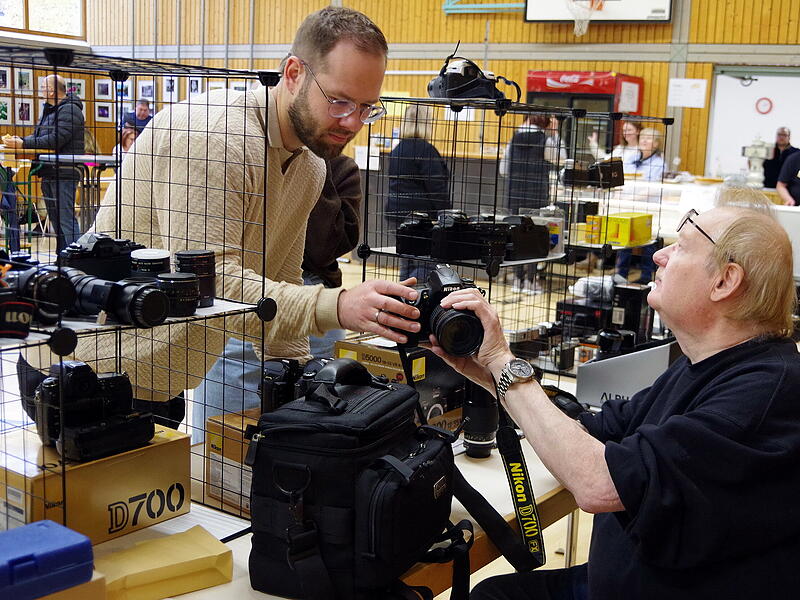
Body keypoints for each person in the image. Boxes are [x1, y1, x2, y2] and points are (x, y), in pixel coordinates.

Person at [18, 7, 421, 429]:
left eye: (367, 108)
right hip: (79, 371)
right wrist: (337, 305)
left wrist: (303, 391)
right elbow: (206, 284)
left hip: (161, 380)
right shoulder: (215, 138)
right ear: (294, 73)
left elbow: (280, 284)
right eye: (339, 101)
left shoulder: (310, 165)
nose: (352, 122)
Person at [429, 202, 800, 600]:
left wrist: (505, 364)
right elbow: (598, 430)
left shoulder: (764, 395)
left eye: (683, 247)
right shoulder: (707, 364)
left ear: (725, 281)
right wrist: (490, 374)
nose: (659, 255)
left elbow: (600, 484)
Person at [4, 74, 84, 253]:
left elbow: (57, 139)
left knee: (65, 219)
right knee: (56, 220)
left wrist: (24, 143)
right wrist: (22, 140)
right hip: (49, 171)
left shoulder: (70, 110)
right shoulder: (50, 109)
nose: (41, 90)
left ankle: (77, 260)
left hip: (64, 172)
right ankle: (62, 258)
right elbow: (40, 137)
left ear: (52, 91)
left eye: (43, 87)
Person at [500, 113, 564, 294]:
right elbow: (561, 158)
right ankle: (531, 280)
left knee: (516, 233)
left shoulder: (513, 139)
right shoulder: (545, 139)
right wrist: (556, 133)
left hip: (515, 193)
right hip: (536, 194)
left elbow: (504, 170)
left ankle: (517, 279)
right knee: (536, 234)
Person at [386, 103, 450, 282]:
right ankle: (415, 302)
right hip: (421, 217)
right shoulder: (426, 150)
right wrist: (445, 214)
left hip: (397, 214)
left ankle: (402, 302)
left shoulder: (397, 149)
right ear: (427, 123)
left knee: (407, 263)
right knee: (425, 264)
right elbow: (437, 187)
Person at [615, 127, 665, 284]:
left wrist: (632, 198)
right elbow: (623, 179)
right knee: (625, 240)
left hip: (648, 208)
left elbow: (654, 188)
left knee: (648, 243)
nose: (643, 140)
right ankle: (620, 275)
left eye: (649, 138)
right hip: (629, 207)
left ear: (656, 144)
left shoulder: (659, 163)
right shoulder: (631, 157)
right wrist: (619, 194)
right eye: (642, 137)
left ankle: (645, 277)